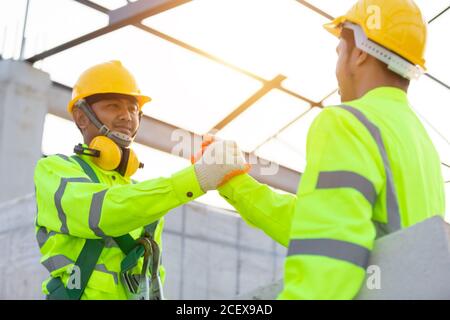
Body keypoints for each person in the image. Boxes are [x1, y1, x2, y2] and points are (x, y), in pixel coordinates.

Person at [216, 0, 446, 299]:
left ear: (361, 52)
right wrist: (234, 184)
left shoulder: (347, 122)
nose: (337, 67)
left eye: (340, 51)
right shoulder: (421, 144)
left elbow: (328, 261)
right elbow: (320, 225)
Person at [34, 60, 247, 299]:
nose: (127, 117)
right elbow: (103, 212)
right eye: (113, 106)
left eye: (133, 109)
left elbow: (153, 276)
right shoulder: (55, 170)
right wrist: (196, 179)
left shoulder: (145, 198)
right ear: (82, 118)